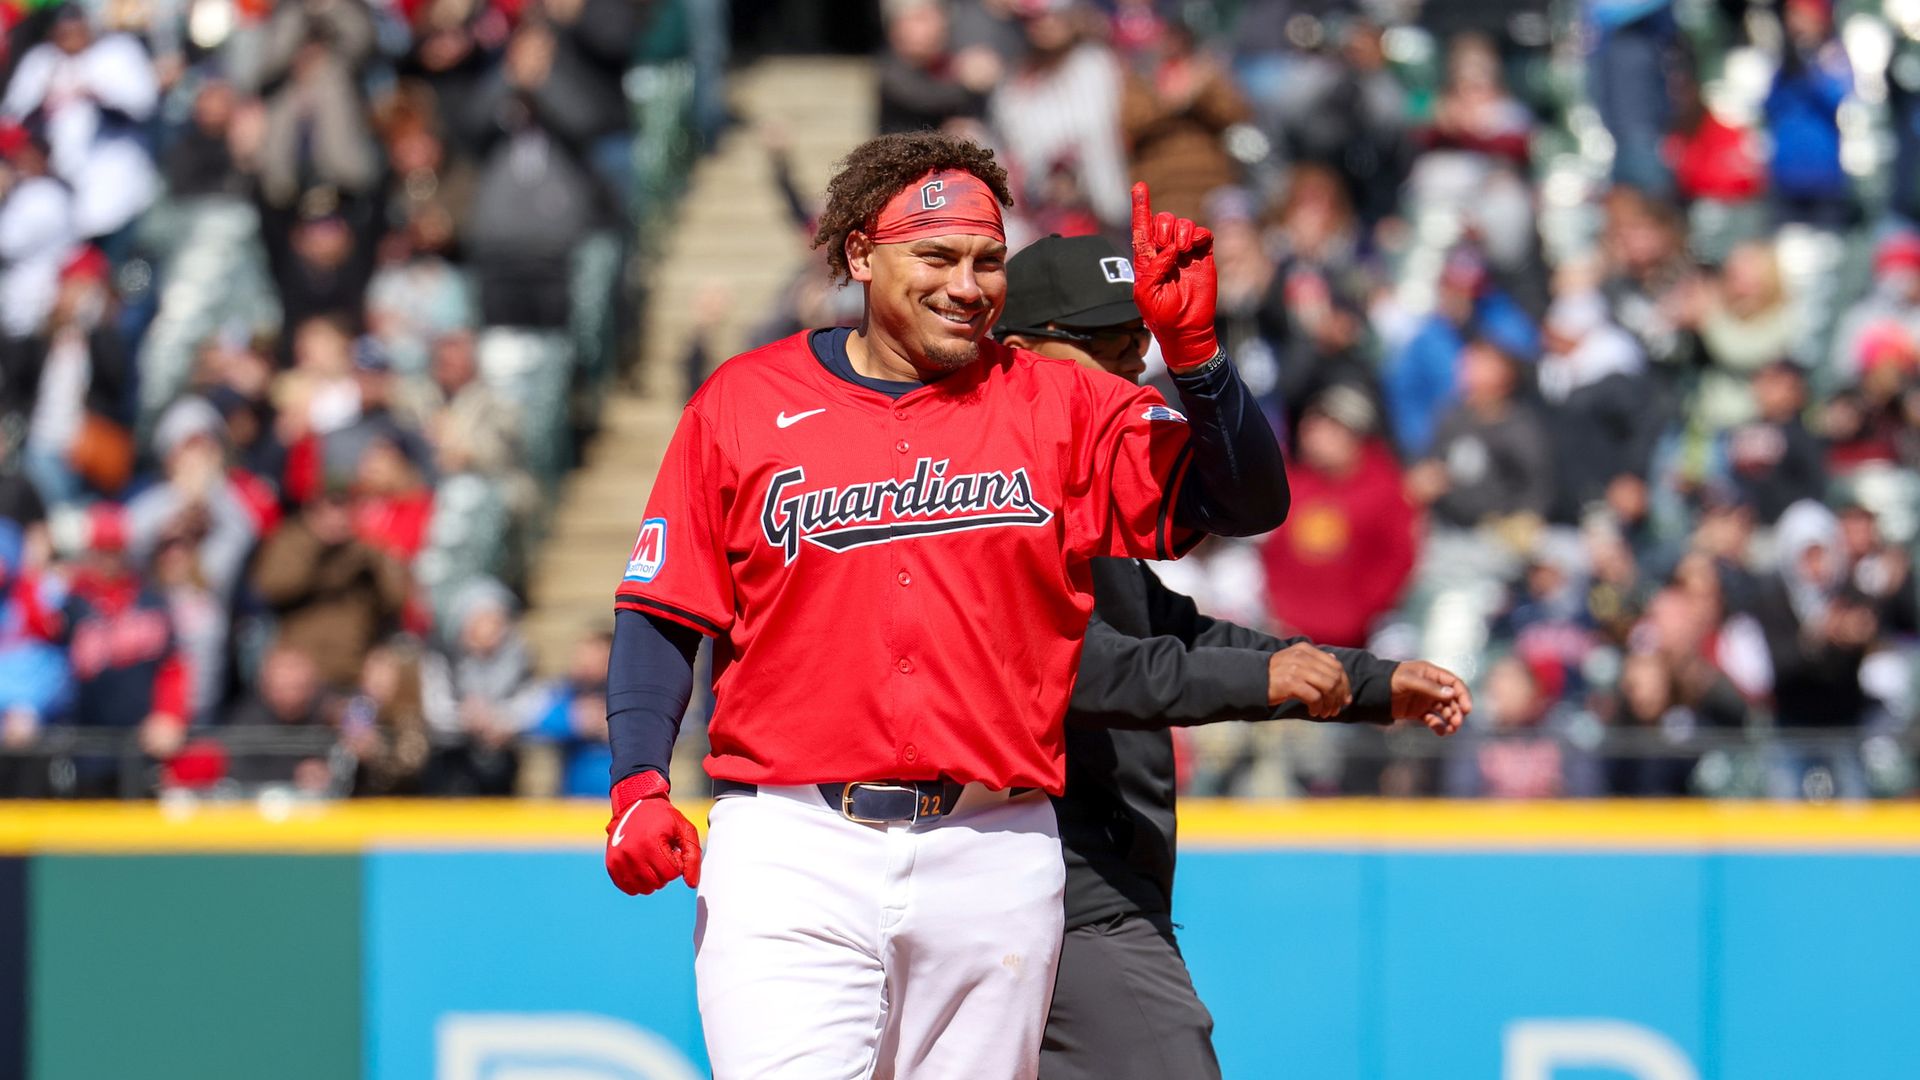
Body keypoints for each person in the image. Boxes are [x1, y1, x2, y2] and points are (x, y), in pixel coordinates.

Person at [601, 131, 1288, 1078]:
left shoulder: (1059, 403)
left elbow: (1243, 502)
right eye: (936, 256)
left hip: (994, 846)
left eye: (987, 260)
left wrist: (1200, 361)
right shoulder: (745, 401)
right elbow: (664, 609)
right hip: (791, 842)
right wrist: (638, 781)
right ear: (860, 255)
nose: (967, 285)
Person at [994, 233, 1468, 1080]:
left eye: (1137, 347)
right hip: (1048, 882)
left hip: (1084, 884)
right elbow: (1073, 667)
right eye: (1106, 347)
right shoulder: (977, 494)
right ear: (1021, 353)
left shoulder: (1081, 489)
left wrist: (1366, 683)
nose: (1131, 370)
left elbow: (1190, 602)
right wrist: (1263, 676)